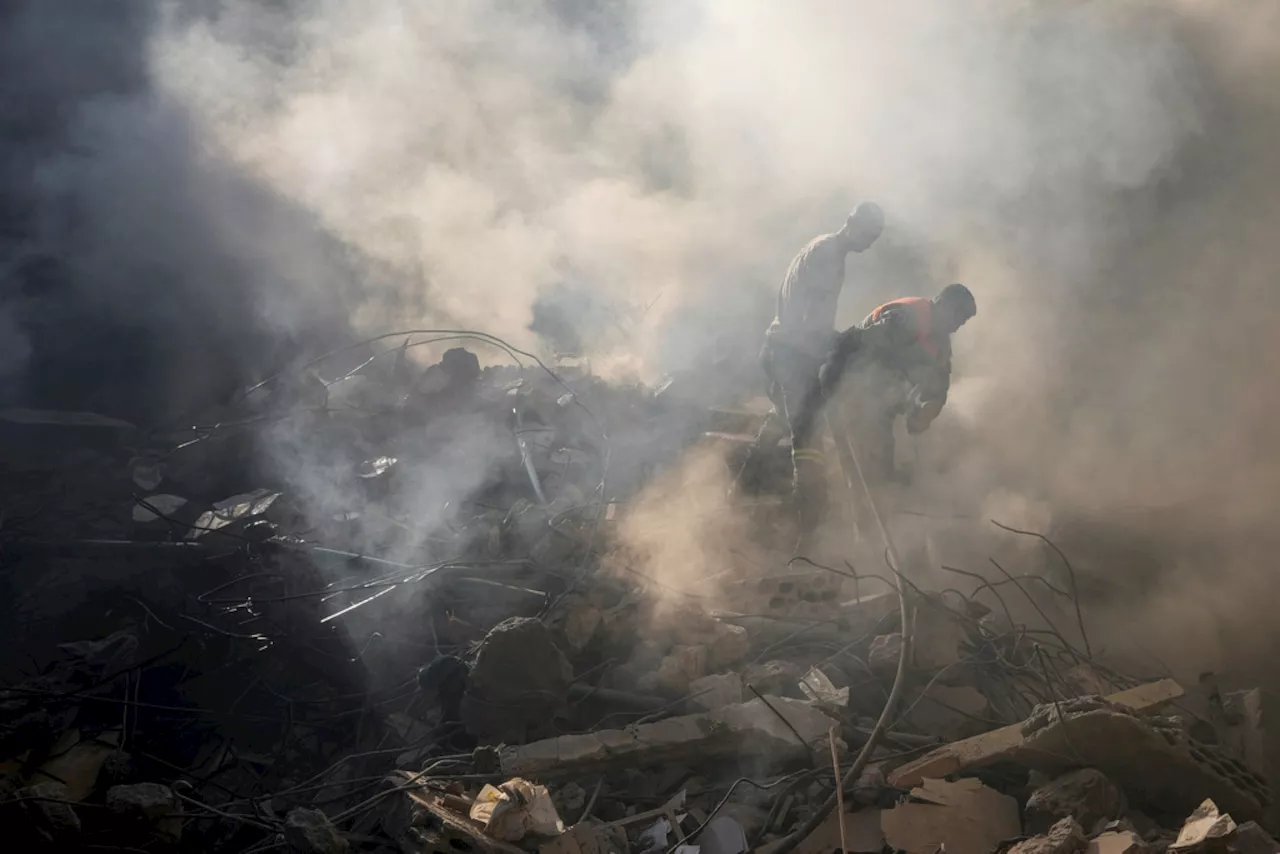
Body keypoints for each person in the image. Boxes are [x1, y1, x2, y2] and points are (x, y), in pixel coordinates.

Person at [755, 202, 885, 531]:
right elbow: (811, 313)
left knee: (783, 420)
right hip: (792, 352)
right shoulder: (828, 255)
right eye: (868, 235)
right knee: (807, 435)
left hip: (784, 348)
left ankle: (745, 483)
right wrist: (838, 340)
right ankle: (808, 520)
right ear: (851, 222)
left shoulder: (824, 248)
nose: (868, 244)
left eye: (874, 239)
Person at [820, 283, 977, 485]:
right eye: (958, 317)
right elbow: (852, 341)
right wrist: (831, 376)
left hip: (881, 404)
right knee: (861, 465)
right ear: (944, 305)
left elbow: (937, 392)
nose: (957, 326)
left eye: (962, 322)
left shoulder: (940, 347)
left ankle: (874, 504)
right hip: (850, 387)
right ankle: (854, 506)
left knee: (881, 469)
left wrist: (921, 418)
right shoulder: (910, 315)